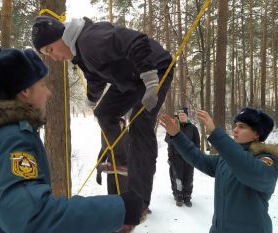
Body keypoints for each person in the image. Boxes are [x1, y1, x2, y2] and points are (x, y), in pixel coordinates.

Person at [0, 48, 143, 233]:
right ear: (26, 91)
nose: (49, 92)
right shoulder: (12, 141)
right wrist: (119, 209)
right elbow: (32, 217)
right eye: (43, 84)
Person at [31, 16, 174, 231]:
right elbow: (96, 78)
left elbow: (135, 41)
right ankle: (122, 159)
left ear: (60, 37)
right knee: (104, 113)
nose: (54, 57)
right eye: (47, 55)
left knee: (141, 125)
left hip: (154, 68)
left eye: (50, 50)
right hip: (130, 80)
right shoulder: (80, 54)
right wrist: (91, 98)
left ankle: (140, 203)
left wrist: (151, 78)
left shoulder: (91, 39)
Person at [160, 108, 278, 233]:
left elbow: (248, 168)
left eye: (242, 127)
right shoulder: (226, 157)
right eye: (236, 125)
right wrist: (177, 135)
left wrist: (215, 133)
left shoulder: (266, 159)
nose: (235, 129)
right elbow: (197, 158)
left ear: (257, 133)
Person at [164, 107, 200, 207]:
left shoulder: (193, 128)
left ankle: (187, 196)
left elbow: (197, 143)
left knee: (189, 177)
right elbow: (169, 143)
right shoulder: (174, 127)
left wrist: (196, 156)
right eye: (180, 115)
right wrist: (170, 157)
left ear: (187, 116)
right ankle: (178, 195)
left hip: (190, 157)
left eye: (183, 115)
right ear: (178, 117)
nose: (182, 116)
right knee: (177, 177)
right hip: (177, 157)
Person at [96, 117, 129, 195]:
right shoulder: (109, 137)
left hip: (123, 173)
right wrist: (98, 171)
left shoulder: (128, 136)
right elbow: (103, 152)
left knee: (123, 197)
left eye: (120, 125)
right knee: (112, 196)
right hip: (111, 172)